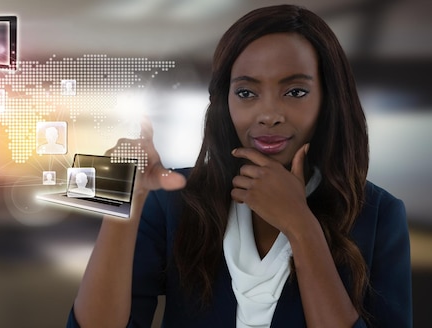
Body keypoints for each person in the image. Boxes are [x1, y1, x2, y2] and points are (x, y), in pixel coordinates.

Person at [68, 4, 411, 328]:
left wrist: (302, 228)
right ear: (223, 101)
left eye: (295, 92)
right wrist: (124, 207)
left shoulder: (379, 215)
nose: (269, 115)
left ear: (329, 98)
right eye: (247, 93)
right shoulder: (174, 203)